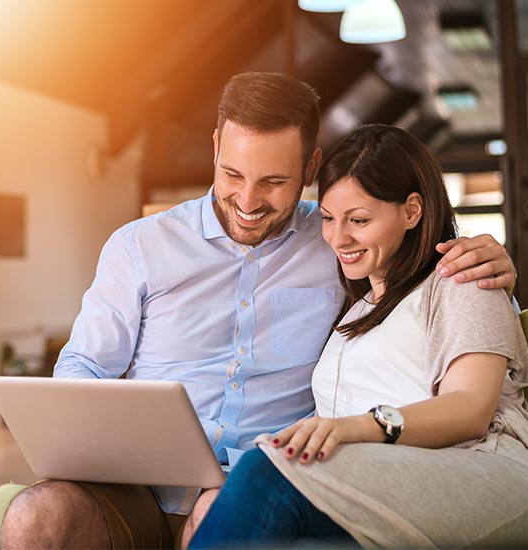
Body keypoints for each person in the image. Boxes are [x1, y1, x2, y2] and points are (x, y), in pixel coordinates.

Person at [0, 75, 516, 550]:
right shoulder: (139, 247)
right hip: (135, 486)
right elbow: (84, 368)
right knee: (37, 517)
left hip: (255, 482)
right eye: (232, 173)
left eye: (273, 182)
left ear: (311, 170)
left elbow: (420, 275)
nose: (247, 200)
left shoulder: (338, 244)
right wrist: (74, 445)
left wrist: (488, 265)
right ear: (215, 148)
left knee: (222, 502)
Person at [189, 124, 528, 549]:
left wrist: (359, 427)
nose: (338, 237)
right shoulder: (359, 307)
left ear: (411, 211)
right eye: (329, 219)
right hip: (382, 479)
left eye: (359, 220)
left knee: (265, 470)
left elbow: (470, 409)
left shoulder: (460, 279)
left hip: (476, 470)